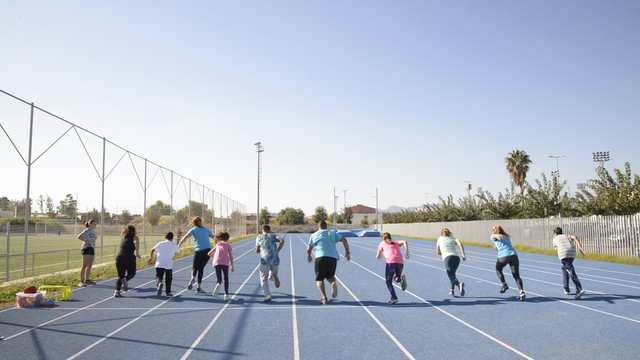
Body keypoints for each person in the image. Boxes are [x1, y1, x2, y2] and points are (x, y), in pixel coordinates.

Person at [307, 221, 351, 305]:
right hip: (332, 258)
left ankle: (324, 298)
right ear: (326, 227)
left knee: (319, 279)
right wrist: (347, 253)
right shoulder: (332, 233)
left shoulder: (314, 235)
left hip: (320, 257)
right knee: (330, 276)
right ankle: (333, 282)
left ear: (318, 227)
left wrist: (309, 256)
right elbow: (344, 240)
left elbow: (309, 248)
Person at [178, 216, 214, 293]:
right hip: (207, 251)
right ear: (201, 222)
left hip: (198, 251)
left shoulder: (193, 230)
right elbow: (214, 237)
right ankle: (198, 287)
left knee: (195, 267)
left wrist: (179, 244)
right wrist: (217, 244)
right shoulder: (206, 230)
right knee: (201, 269)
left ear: (194, 223)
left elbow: (185, 237)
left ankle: (192, 277)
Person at [491, 225, 525, 301]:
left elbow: (496, 237)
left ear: (494, 231)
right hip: (513, 255)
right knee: (516, 275)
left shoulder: (494, 236)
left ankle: (504, 284)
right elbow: (503, 246)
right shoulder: (506, 237)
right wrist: (496, 248)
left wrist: (496, 236)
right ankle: (521, 291)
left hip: (504, 256)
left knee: (498, 269)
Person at [553, 227, 586, 299]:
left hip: (564, 254)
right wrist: (581, 248)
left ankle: (579, 289)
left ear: (555, 234)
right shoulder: (566, 235)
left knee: (570, 270)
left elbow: (556, 249)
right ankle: (566, 288)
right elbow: (575, 237)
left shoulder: (555, 238)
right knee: (564, 268)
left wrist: (558, 248)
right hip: (572, 253)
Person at [376, 232, 409, 304]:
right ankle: (401, 279)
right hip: (400, 262)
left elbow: (378, 256)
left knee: (388, 281)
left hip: (391, 262)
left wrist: (379, 256)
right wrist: (407, 253)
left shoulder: (382, 243)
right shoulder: (395, 243)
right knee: (396, 279)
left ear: (383, 238)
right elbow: (405, 241)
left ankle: (394, 297)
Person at [255, 225, 284, 302]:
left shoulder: (259, 237)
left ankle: (267, 295)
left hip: (265, 258)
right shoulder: (273, 235)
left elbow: (257, 250)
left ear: (262, 231)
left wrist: (261, 250)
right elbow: (281, 240)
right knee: (273, 271)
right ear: (270, 230)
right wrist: (278, 250)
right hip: (275, 257)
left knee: (263, 278)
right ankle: (273, 275)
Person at [148, 232, 182, 297]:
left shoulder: (160, 243)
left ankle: (159, 283)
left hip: (159, 263)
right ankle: (168, 292)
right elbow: (179, 251)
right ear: (172, 238)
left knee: (158, 276)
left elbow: (153, 249)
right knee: (169, 278)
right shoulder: (173, 245)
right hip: (168, 264)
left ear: (165, 238)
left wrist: (151, 257)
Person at [436, 228, 467, 297]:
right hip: (456, 258)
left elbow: (438, 252)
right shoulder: (454, 239)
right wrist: (463, 255)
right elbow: (460, 244)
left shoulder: (440, 239)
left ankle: (459, 284)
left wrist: (443, 253)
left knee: (451, 275)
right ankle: (452, 290)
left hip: (447, 258)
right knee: (453, 274)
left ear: (442, 234)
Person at [114, 224, 141, 297]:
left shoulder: (123, 237)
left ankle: (117, 291)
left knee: (120, 276)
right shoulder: (135, 238)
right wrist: (137, 253)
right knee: (132, 273)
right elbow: (136, 243)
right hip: (129, 257)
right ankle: (125, 279)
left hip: (119, 257)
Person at [209, 232, 234, 301]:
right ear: (228, 238)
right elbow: (231, 257)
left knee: (219, 278)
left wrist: (215, 257)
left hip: (217, 262)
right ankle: (226, 294)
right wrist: (232, 266)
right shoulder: (228, 245)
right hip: (225, 262)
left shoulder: (217, 245)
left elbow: (209, 253)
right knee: (226, 278)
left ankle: (218, 283)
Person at [77, 219, 97, 287]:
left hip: (92, 248)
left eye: (95, 224)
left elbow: (95, 239)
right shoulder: (86, 231)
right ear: (90, 224)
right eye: (94, 224)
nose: (95, 226)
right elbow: (79, 236)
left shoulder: (93, 232)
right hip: (86, 248)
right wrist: (85, 240)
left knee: (90, 264)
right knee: (85, 265)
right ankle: (81, 281)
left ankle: (87, 279)